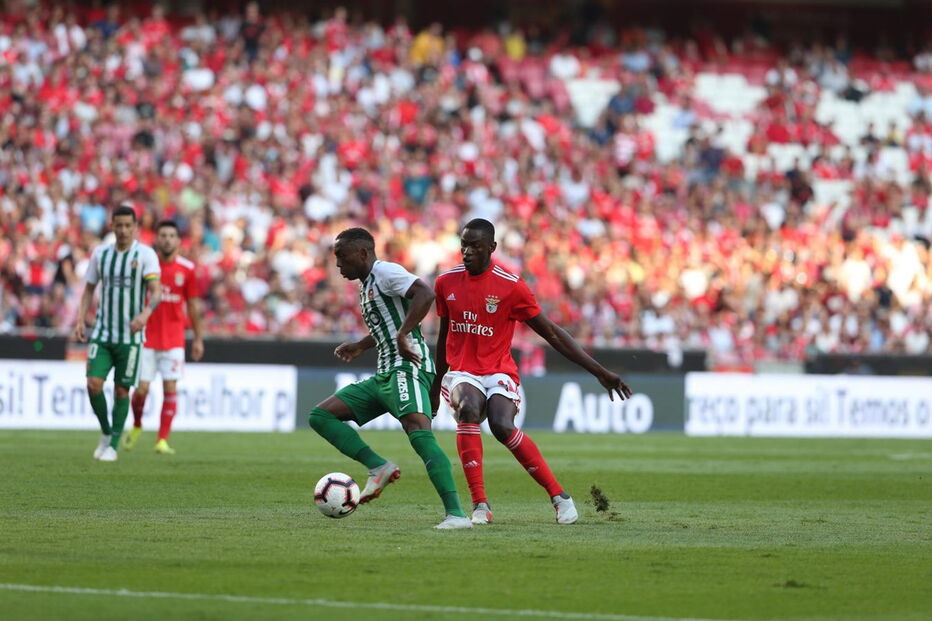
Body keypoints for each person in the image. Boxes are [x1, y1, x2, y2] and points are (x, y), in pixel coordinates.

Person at [430, 219, 632, 525]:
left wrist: (599, 371)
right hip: (462, 372)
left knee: (501, 425)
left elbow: (551, 333)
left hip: (498, 370)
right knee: (468, 408)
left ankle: (559, 497)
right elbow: (444, 337)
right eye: (464, 245)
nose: (467, 252)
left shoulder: (511, 286)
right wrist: (435, 388)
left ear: (492, 248)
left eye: (475, 246)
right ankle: (480, 505)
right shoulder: (446, 283)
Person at [308, 228, 471, 530]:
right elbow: (390, 324)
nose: (339, 265)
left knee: (418, 433)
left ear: (363, 254)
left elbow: (425, 293)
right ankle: (378, 466)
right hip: (385, 372)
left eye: (342, 257)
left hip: (408, 367)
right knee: (320, 416)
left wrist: (403, 334)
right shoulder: (367, 285)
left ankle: (457, 515)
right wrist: (362, 345)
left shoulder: (385, 272)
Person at [73, 205, 162, 462]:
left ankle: (112, 445)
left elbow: (156, 291)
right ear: (112, 226)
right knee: (93, 384)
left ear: (135, 227)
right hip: (102, 334)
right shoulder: (101, 254)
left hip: (130, 338)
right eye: (119, 225)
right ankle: (106, 430)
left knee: (122, 391)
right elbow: (89, 289)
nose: (123, 230)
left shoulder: (145, 255)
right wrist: (81, 318)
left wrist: (145, 315)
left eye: (127, 225)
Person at [125, 220, 204, 455]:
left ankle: (162, 440)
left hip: (174, 339)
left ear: (178, 241)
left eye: (171, 236)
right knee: (141, 389)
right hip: (146, 338)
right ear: (157, 239)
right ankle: (137, 424)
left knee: (170, 388)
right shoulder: (147, 267)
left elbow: (193, 306)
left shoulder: (187, 269)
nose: (167, 240)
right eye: (163, 235)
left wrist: (198, 338)